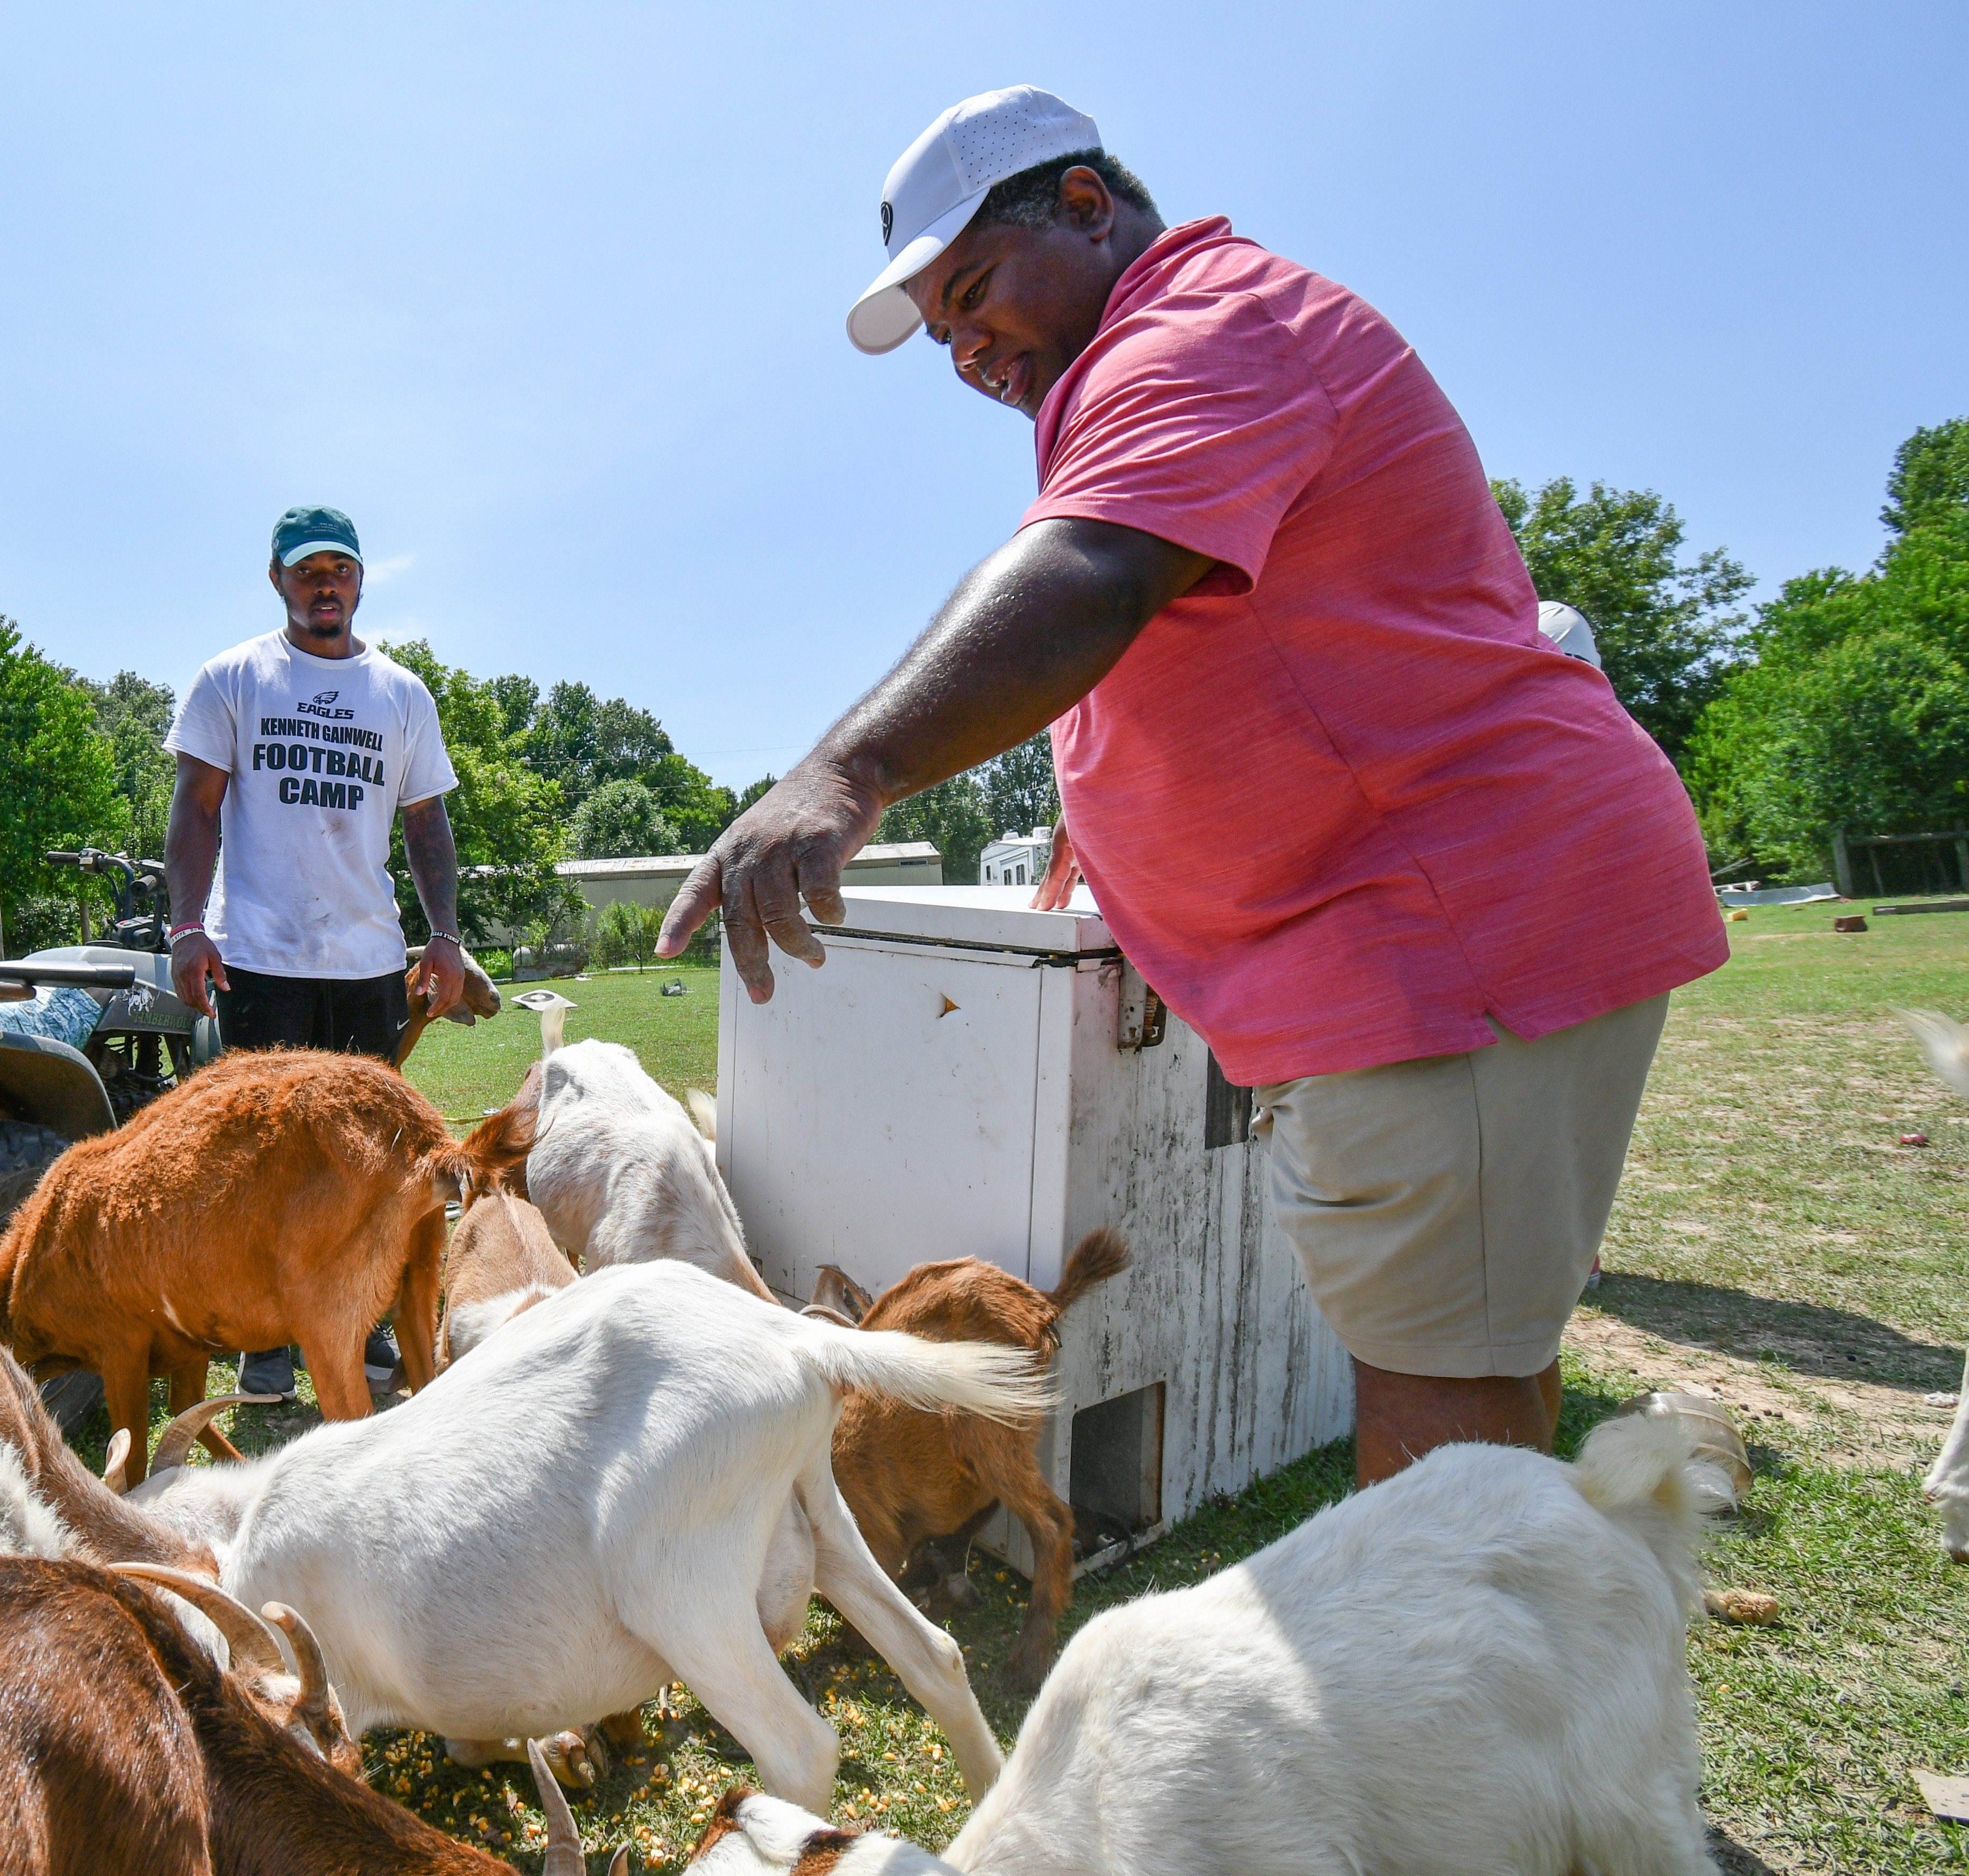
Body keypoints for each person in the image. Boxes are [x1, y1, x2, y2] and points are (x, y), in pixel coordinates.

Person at [660, 86, 1726, 1484]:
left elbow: (1090, 577)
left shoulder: (1197, 328)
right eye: (941, 334)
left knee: (1439, 1445)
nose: (969, 350)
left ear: (1087, 207)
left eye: (976, 293)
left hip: (1440, 938)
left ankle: (1441, 1697)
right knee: (1465, 1373)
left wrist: (843, 769)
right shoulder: (1168, 352)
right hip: (1413, 944)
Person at [164, 504, 469, 1399]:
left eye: (338, 569)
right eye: (307, 571)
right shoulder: (234, 679)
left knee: (365, 1161)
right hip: (260, 955)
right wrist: (189, 926)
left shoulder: (402, 695)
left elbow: (427, 823)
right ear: (278, 580)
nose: (323, 583)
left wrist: (443, 937)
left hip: (367, 962)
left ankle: (362, 1323)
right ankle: (268, 1344)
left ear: (361, 579)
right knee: (264, 1160)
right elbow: (196, 810)